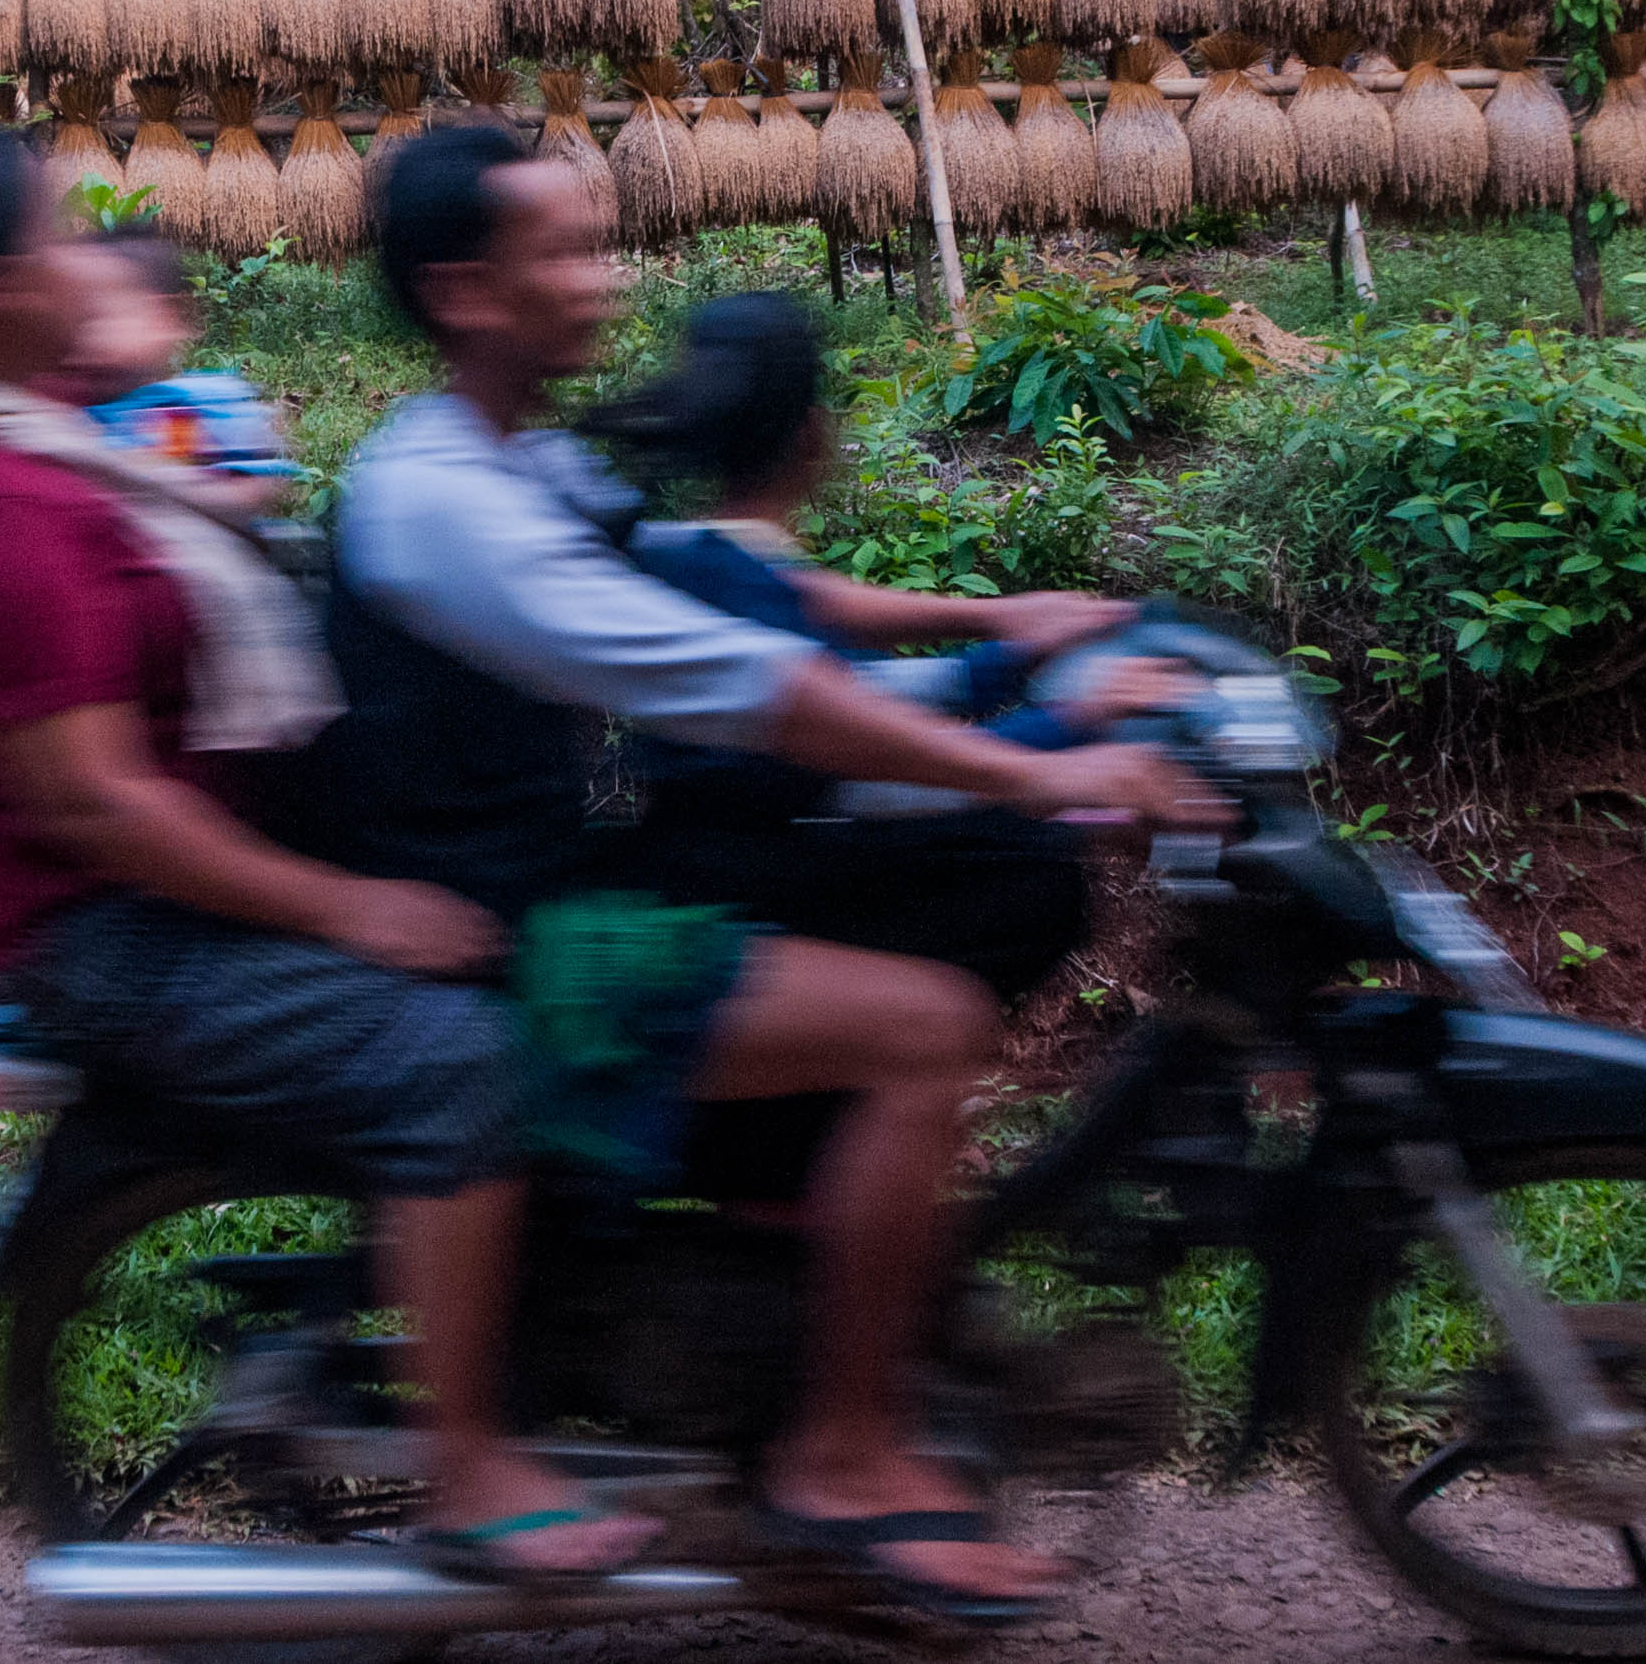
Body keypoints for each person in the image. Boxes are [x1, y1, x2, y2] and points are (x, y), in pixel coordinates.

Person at [261, 123, 1222, 1619]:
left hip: (579, 879)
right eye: (563, 255)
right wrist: (1037, 760)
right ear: (462, 291)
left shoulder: (525, 459)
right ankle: (834, 1456)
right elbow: (743, 678)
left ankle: (798, 1345)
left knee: (974, 885)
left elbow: (756, 591)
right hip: (535, 936)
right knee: (922, 1027)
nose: (601, 281)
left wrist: (999, 618)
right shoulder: (439, 500)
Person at [0, 124, 654, 1581]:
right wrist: (350, 908)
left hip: (182, 886)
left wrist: (128, 313)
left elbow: (150, 357)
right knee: (455, 1054)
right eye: (69, 234)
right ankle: (467, 1473)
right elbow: (96, 805)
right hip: (117, 934)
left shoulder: (33, 414)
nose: (104, 254)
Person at [582, 288, 1201, 1007]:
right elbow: (872, 773)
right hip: (742, 891)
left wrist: (1003, 655)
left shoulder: (690, 551)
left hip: (713, 863)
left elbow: (855, 695)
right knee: (1030, 875)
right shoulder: (739, 578)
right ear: (814, 433)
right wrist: (1068, 723)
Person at [44, 220, 299, 518]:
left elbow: (258, 490)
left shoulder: (211, 402)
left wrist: (156, 485)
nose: (86, 336)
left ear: (168, 317)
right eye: (74, 321)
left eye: (100, 317)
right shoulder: (79, 415)